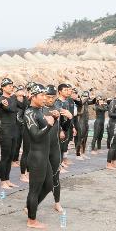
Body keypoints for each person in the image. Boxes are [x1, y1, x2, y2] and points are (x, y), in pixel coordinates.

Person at [24, 84, 54, 229]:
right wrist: (49, 125)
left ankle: (30, 207)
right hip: (36, 156)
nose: (44, 98)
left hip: (44, 156)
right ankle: (31, 220)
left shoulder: (39, 110)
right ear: (34, 96)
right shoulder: (30, 113)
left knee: (48, 185)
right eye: (42, 95)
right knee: (34, 189)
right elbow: (35, 136)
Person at [43, 84, 72, 213]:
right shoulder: (39, 109)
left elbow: (64, 129)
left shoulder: (58, 109)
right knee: (39, 179)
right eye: (48, 97)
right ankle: (32, 204)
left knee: (56, 177)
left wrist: (69, 119)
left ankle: (57, 202)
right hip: (41, 148)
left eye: (52, 97)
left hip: (55, 148)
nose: (50, 99)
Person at [0, 78, 22, 189]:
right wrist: (14, 96)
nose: (11, 87)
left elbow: (23, 106)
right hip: (5, 131)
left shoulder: (12, 98)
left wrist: (25, 96)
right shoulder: (2, 99)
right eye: (8, 86)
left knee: (11, 156)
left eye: (12, 85)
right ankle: (2, 181)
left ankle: (7, 179)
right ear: (3, 87)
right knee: (5, 157)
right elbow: (12, 108)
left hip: (14, 130)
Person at [19, 82, 33, 182]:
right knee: (26, 152)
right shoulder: (25, 100)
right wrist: (26, 98)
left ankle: (29, 172)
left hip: (33, 128)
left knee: (32, 152)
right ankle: (23, 174)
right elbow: (22, 110)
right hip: (26, 129)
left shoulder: (36, 100)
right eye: (31, 90)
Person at [12, 85, 25, 167]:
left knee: (19, 143)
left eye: (22, 96)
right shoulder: (14, 104)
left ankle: (16, 159)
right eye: (19, 96)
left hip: (21, 126)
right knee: (15, 143)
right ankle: (13, 160)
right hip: (14, 126)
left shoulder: (24, 104)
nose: (21, 98)